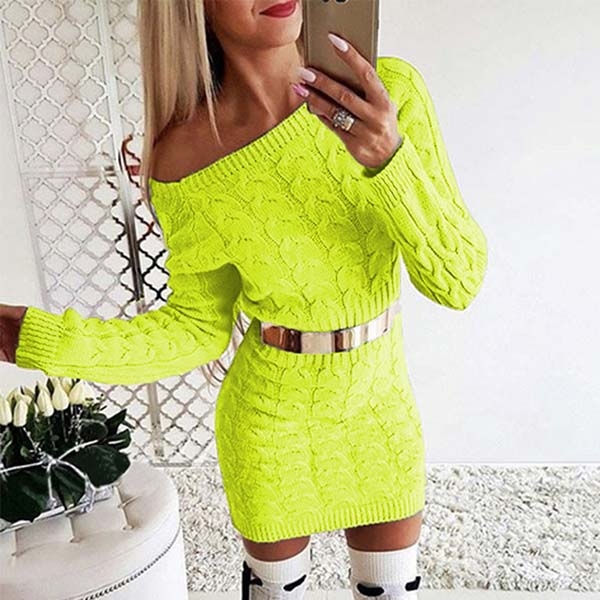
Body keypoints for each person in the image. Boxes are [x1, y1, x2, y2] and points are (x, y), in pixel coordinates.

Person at [0, 0, 488, 598]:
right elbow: (195, 328)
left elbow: (457, 280)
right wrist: (42, 340)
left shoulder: (387, 94)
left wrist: (390, 159)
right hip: (270, 424)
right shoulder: (184, 156)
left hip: (380, 406)